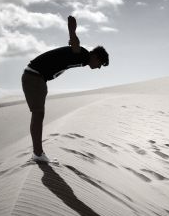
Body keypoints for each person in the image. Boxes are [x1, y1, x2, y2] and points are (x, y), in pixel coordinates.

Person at [21, 15, 109, 162]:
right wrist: (72, 30)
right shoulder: (83, 54)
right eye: (100, 63)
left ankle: (38, 153)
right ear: (95, 56)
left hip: (37, 78)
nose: (98, 67)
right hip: (34, 77)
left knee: (39, 114)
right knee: (38, 114)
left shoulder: (82, 57)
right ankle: (37, 154)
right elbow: (75, 45)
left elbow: (72, 47)